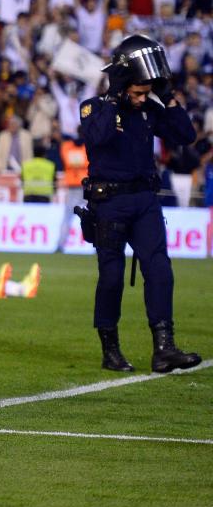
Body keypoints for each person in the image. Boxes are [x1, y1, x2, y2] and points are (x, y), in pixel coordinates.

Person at [78, 34, 201, 374]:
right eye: (138, 91)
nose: (142, 98)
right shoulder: (94, 107)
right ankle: (110, 349)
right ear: (122, 84)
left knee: (160, 268)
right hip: (109, 203)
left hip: (145, 200)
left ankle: (164, 348)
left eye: (146, 92)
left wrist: (167, 96)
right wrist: (116, 97)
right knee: (112, 278)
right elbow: (98, 136)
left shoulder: (149, 109)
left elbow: (185, 135)